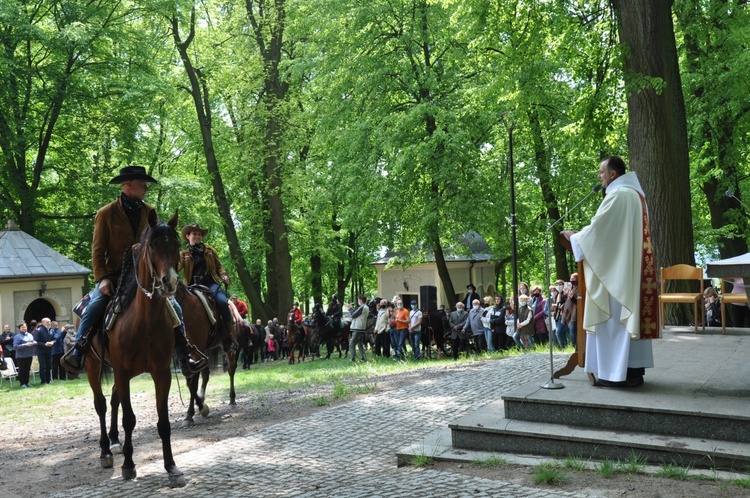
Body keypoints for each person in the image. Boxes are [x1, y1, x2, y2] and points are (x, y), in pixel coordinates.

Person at [62, 166, 206, 376]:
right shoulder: (106, 213)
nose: (146, 188)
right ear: (128, 184)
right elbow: (97, 250)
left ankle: (185, 354)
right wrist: (101, 278)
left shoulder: (150, 212)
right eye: (142, 184)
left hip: (144, 277)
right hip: (113, 277)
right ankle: (78, 351)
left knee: (175, 307)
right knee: (93, 307)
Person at [562, 156, 657, 388]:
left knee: (614, 321)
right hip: (625, 266)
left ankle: (616, 375)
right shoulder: (633, 194)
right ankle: (633, 372)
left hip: (616, 275)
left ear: (613, 174)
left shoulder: (618, 195)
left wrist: (575, 238)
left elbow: (600, 233)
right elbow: (605, 229)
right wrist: (584, 234)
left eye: (601, 172)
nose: (599, 176)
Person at [179, 223, 235, 344]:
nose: (197, 236)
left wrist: (224, 276)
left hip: (210, 284)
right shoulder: (183, 255)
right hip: (191, 286)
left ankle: (229, 334)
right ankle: (179, 339)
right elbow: (175, 268)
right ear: (188, 236)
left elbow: (219, 267)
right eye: (194, 234)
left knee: (221, 301)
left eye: (199, 234)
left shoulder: (210, 251)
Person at [13, 322, 36, 388]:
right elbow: (15, 346)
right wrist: (24, 345)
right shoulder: (17, 336)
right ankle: (22, 383)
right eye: (22, 327)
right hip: (21, 356)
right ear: (19, 328)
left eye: (25, 327)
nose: (24, 328)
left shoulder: (30, 335)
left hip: (29, 355)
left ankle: (27, 382)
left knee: (27, 369)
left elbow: (32, 342)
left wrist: (34, 343)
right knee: (22, 370)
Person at [348, 295, 369, 362]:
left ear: (361, 300)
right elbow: (357, 314)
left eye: (358, 300)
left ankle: (352, 358)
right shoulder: (365, 307)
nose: (358, 301)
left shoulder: (362, 307)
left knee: (351, 344)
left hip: (358, 328)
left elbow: (353, 315)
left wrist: (351, 308)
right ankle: (363, 357)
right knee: (360, 343)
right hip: (361, 327)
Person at [33, 317, 54, 384]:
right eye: (47, 322)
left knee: (49, 365)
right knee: (42, 366)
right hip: (41, 351)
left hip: (49, 350)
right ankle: (43, 380)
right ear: (43, 323)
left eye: (50, 322)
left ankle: (48, 379)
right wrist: (45, 344)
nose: (49, 323)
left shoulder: (51, 330)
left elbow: (54, 338)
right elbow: (36, 342)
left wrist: (52, 342)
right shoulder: (39, 330)